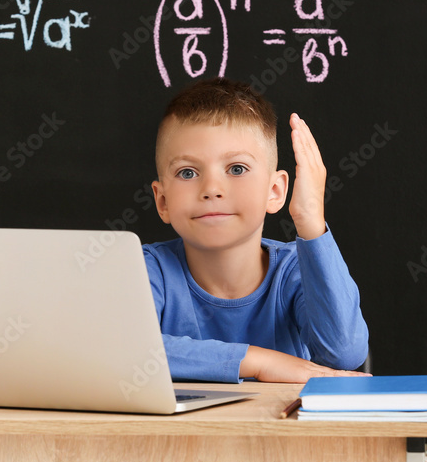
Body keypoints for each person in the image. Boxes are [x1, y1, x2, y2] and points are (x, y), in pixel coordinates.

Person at [144, 77, 370, 383]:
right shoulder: (145, 270)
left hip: (283, 431)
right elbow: (119, 349)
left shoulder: (295, 271)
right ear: (162, 201)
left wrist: (311, 222)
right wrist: (256, 361)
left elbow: (344, 353)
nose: (211, 189)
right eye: (188, 172)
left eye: (237, 169)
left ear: (275, 191)